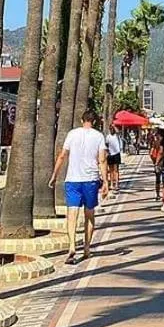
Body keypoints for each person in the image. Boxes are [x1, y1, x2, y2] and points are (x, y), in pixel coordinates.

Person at [50, 106, 108, 266]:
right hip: (90, 180)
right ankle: (87, 247)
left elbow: (62, 156)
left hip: (72, 179)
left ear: (82, 121)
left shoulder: (72, 134)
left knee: (72, 215)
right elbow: (102, 160)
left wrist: (54, 175)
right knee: (89, 215)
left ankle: (72, 247)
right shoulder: (99, 136)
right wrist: (106, 182)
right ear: (94, 121)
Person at [149, 127, 164, 202]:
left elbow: (151, 153)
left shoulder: (155, 142)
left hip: (158, 163)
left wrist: (155, 162)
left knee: (157, 180)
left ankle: (158, 195)